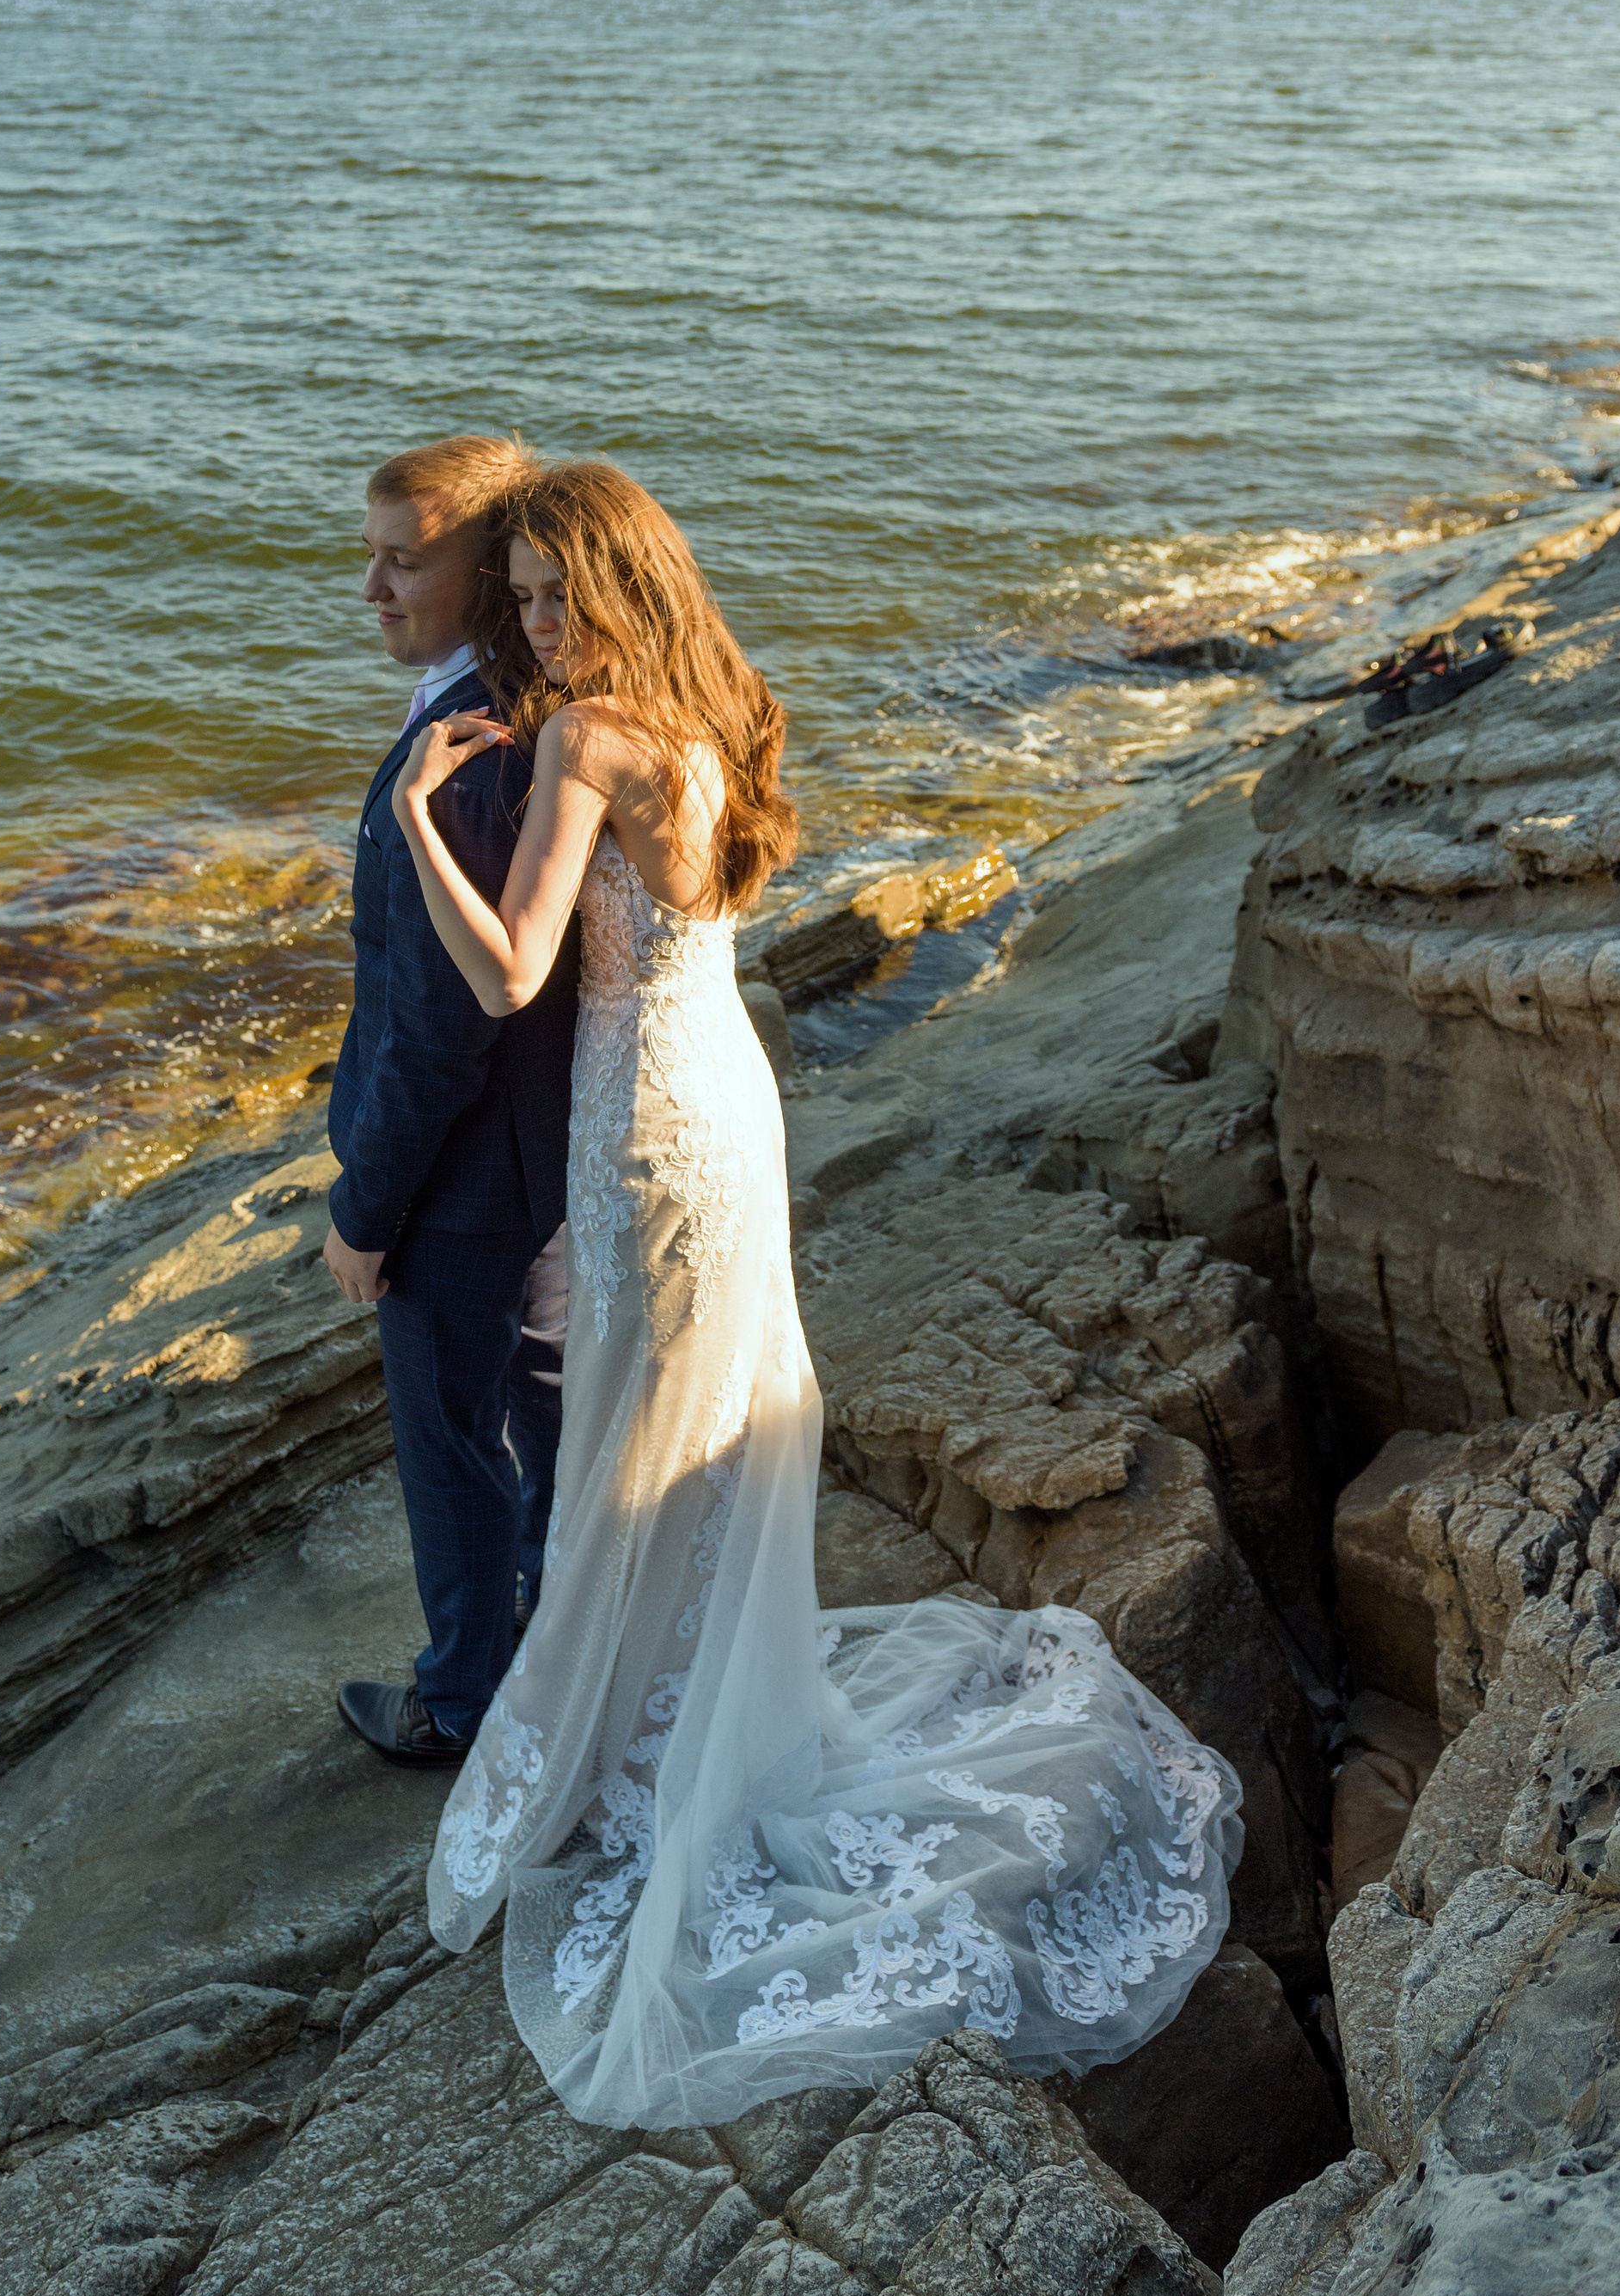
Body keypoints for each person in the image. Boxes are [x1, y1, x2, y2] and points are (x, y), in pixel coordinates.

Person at [388, 457, 1244, 2129]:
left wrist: (425, 811)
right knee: (699, 1421)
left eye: (563, 596)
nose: (541, 625)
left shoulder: (580, 737)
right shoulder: (711, 717)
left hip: (637, 1126)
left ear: (620, 588)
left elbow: (505, 970)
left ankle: (642, 1756)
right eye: (528, 600)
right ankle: (680, 1719)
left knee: (636, 1442)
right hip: (722, 1095)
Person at [323, 436, 578, 1766]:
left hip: (463, 1183)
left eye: (402, 560)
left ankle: (467, 1702)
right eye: (369, 552)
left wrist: (366, 1212)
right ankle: (549, 1641)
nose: (368, 584)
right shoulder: (521, 708)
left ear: (488, 574)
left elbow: (437, 1030)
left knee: (453, 1447)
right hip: (537, 1165)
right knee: (536, 1411)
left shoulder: (471, 751)